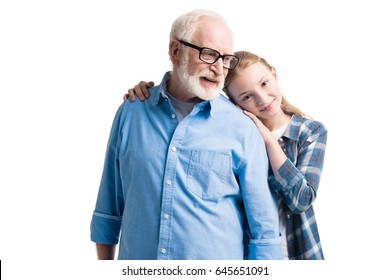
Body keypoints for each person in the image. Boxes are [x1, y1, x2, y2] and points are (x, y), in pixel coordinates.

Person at [90, 9, 282, 260]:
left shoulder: (242, 127)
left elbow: (264, 231)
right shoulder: (131, 113)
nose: (219, 69)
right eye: (210, 54)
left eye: (226, 59)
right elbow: (109, 205)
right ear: (175, 51)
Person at [125, 51, 327, 260]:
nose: (262, 98)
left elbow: (301, 200)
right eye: (246, 96)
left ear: (274, 74)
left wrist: (268, 140)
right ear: (234, 103)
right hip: (249, 255)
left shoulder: (310, 132)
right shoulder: (233, 134)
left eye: (264, 83)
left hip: (299, 252)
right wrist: (150, 93)